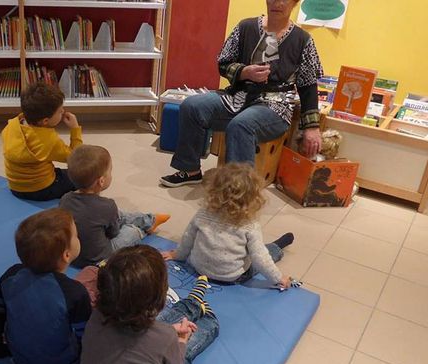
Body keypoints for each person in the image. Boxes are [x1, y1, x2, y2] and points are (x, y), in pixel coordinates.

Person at [160, 0, 323, 187]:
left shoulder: (303, 40)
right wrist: (244, 72)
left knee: (241, 125)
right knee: (192, 106)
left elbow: (308, 86)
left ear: (294, 3)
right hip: (238, 96)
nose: (277, 3)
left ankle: (239, 192)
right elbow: (223, 63)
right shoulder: (246, 27)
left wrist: (312, 127)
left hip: (275, 106)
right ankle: (190, 169)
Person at [80, 245, 219, 364]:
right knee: (184, 352)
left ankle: (192, 303)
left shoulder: (97, 314)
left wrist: (168, 333)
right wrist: (181, 341)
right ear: (159, 297)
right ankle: (205, 315)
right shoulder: (164, 337)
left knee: (159, 337)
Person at [0, 208, 92, 364]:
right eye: (76, 235)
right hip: (61, 362)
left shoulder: (12, 275)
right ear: (66, 255)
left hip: (17, 354)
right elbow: (86, 336)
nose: (78, 237)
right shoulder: (75, 292)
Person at [162, 164, 293, 287]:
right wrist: (279, 278)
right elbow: (260, 258)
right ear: (253, 198)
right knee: (265, 252)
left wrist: (177, 255)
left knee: (255, 251)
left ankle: (279, 244)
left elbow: (188, 238)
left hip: (199, 269)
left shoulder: (203, 213)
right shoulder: (250, 225)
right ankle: (279, 245)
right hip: (232, 276)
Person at [59, 145, 170, 267]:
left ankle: (149, 219)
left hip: (74, 254)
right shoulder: (107, 206)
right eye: (110, 171)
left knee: (118, 213)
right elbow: (113, 233)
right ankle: (147, 225)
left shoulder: (65, 199)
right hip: (99, 258)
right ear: (101, 181)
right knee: (131, 231)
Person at [2, 82, 82, 201]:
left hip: (16, 187)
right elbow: (75, 158)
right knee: (82, 176)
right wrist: (75, 129)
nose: (63, 111)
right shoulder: (49, 139)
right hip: (41, 189)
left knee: (62, 173)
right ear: (45, 121)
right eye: (60, 111)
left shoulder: (11, 125)